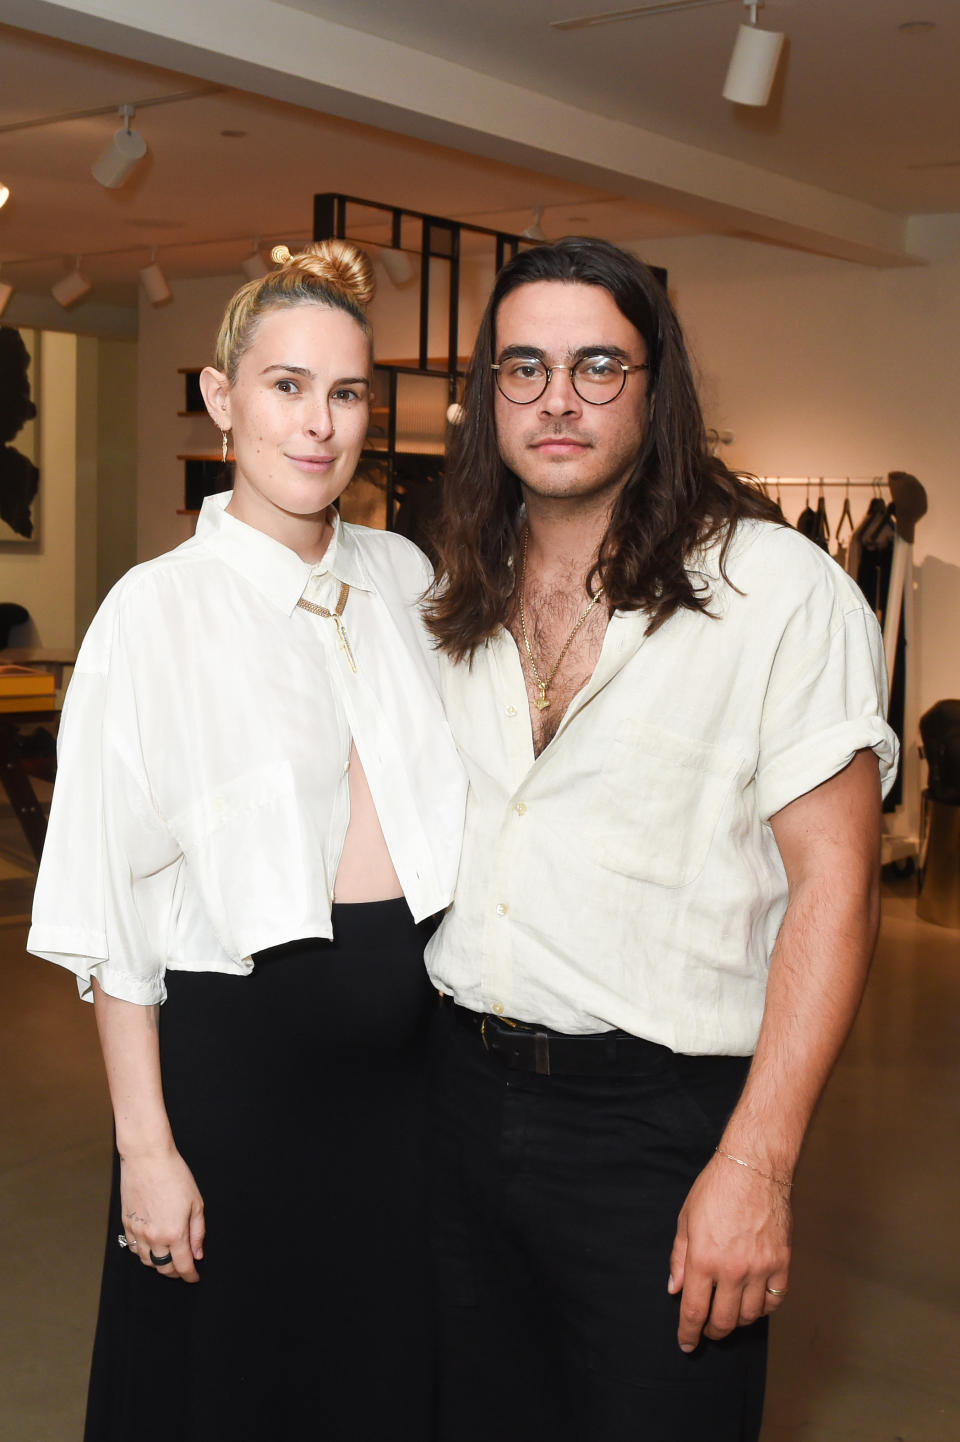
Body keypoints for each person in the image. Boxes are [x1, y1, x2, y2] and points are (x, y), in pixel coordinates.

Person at [423, 236, 898, 1442]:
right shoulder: (455, 589)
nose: (559, 400)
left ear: (655, 383)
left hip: (660, 1130)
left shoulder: (779, 592)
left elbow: (837, 888)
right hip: (454, 1104)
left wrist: (758, 1165)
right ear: (487, 394)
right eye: (522, 369)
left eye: (597, 365)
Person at [28, 241, 465, 1442]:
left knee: (382, 1388)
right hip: (240, 1094)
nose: (318, 425)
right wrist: (146, 1151)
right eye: (285, 386)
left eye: (345, 392)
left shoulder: (407, 574)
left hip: (409, 1098)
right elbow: (116, 917)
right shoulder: (153, 614)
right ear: (223, 398)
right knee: (234, 1396)